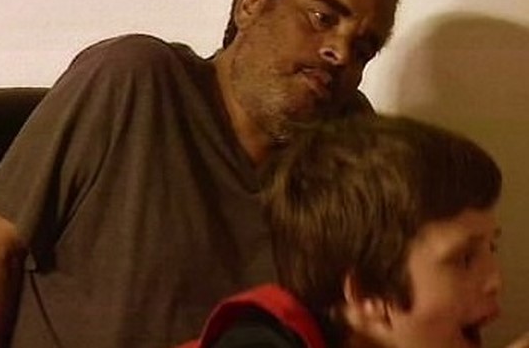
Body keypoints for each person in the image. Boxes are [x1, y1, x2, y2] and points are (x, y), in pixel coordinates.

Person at [0, 0, 400, 348]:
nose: (340, 53)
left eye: (363, 49)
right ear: (251, 4)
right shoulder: (136, 78)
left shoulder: (343, 144)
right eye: (322, 18)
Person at [180, 114, 510, 348]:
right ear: (367, 293)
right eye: (465, 259)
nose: (495, 280)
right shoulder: (259, 339)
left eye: (491, 249)